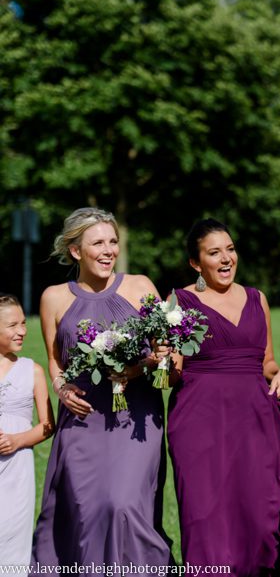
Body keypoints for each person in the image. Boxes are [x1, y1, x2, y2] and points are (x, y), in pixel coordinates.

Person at [32, 208, 171, 570]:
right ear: (77, 250)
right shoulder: (53, 297)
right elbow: (55, 363)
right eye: (98, 243)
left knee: (123, 504)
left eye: (112, 241)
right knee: (85, 509)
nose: (108, 250)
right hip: (82, 420)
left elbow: (163, 353)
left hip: (135, 418)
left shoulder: (141, 286)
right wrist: (61, 390)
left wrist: (136, 368)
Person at [167, 219, 280, 576]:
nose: (226, 259)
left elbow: (266, 361)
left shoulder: (258, 299)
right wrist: (161, 359)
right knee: (204, 518)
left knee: (260, 519)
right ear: (196, 264)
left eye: (230, 249)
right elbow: (171, 373)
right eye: (214, 253)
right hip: (199, 424)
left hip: (256, 421)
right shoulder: (179, 300)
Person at [0, 293, 54, 565]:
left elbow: (47, 425)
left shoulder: (31, 371)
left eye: (23, 323)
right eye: (13, 325)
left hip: (17, 469)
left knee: (12, 534)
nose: (22, 330)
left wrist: (17, 440)